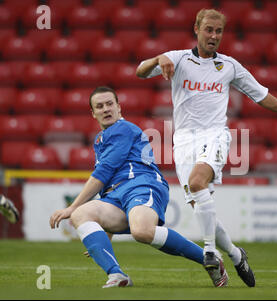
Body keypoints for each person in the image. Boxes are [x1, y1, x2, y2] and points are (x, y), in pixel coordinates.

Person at [136, 8, 277, 288]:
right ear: (196, 28)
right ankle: (235, 254)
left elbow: (262, 95)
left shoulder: (229, 66)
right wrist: (157, 58)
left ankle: (210, 253)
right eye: (208, 29)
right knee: (201, 204)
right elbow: (140, 71)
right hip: (183, 141)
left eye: (218, 31)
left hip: (216, 135)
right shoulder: (178, 58)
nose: (213, 36)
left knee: (197, 183)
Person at [49, 86, 228, 288]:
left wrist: (72, 205)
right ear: (93, 113)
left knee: (141, 231)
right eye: (100, 106)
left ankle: (208, 258)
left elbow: (103, 172)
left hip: (142, 185)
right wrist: (103, 233)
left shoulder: (123, 129)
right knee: (81, 215)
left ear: (119, 107)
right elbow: (106, 181)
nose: (106, 109)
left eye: (110, 104)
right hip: (116, 195)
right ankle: (117, 275)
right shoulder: (100, 139)